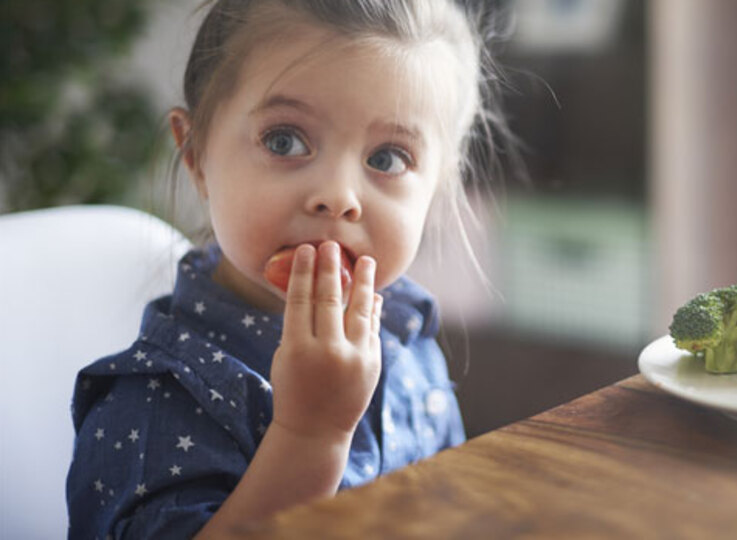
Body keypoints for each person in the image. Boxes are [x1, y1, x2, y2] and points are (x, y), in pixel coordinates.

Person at [66, 1, 516, 537]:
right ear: (196, 155)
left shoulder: (406, 333)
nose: (337, 196)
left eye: (388, 158)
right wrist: (310, 435)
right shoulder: (153, 401)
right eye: (285, 141)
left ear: (438, 190)